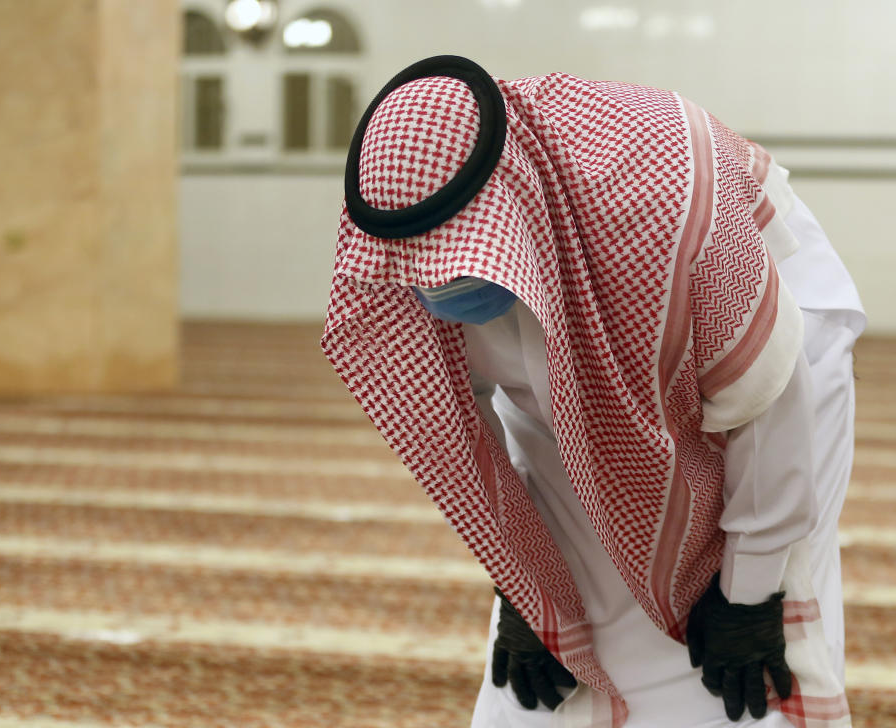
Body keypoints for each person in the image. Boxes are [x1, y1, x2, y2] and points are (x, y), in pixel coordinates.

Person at [321, 55, 864, 727]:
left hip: (763, 332)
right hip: (584, 346)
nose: (437, 283)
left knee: (755, 609)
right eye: (420, 268)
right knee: (574, 598)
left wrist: (750, 593)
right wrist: (524, 593)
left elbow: (769, 402)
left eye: (457, 258)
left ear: (506, 206)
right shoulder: (411, 263)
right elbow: (480, 443)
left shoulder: (657, 218)